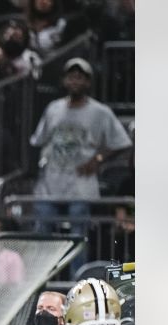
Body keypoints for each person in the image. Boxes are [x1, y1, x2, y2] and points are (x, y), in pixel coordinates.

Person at [29, 58, 133, 233]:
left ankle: (81, 262)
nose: (75, 81)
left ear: (88, 82)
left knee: (77, 236)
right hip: (51, 184)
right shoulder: (53, 108)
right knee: (43, 234)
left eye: (80, 77)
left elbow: (122, 143)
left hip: (80, 186)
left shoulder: (100, 112)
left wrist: (98, 159)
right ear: (64, 81)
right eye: (71, 77)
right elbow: (38, 140)